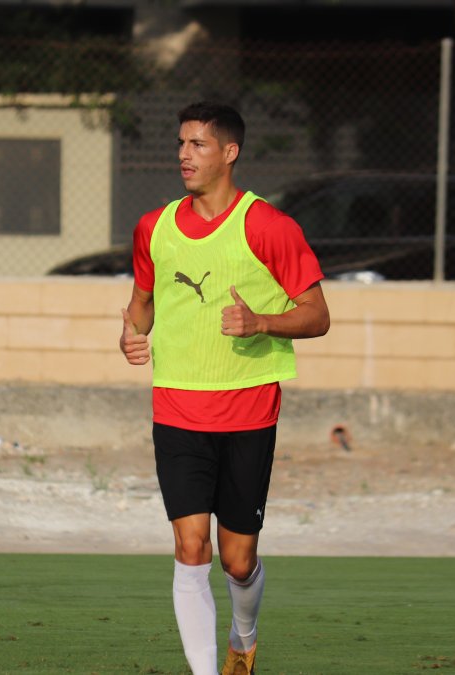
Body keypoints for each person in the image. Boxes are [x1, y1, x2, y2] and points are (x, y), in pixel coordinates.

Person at [118, 101, 330, 675]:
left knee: (238, 561)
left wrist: (261, 322)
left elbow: (317, 315)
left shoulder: (269, 227)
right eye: (181, 144)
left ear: (229, 153)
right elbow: (139, 310)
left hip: (249, 411)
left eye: (199, 145)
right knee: (191, 549)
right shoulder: (153, 228)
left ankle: (244, 637)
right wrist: (131, 337)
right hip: (177, 409)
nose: (185, 155)